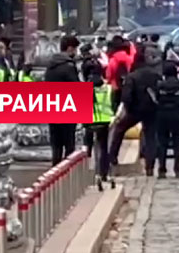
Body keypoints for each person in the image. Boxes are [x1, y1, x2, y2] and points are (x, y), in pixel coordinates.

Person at [109, 45, 163, 177]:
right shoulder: (154, 75)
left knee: (120, 129)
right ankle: (150, 166)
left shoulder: (132, 76)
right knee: (151, 137)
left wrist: (128, 109)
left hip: (135, 110)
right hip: (151, 109)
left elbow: (126, 96)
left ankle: (113, 157)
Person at [44, 35, 82, 166]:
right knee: (69, 144)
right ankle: (67, 174)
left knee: (56, 145)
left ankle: (55, 169)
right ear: (70, 48)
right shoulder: (68, 67)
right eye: (75, 49)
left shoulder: (51, 66)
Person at [152, 62, 179, 179]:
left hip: (162, 116)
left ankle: (162, 169)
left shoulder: (159, 86)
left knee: (162, 143)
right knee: (178, 143)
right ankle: (178, 170)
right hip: (178, 115)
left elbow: (156, 99)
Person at [83, 57, 114, 189]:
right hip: (105, 121)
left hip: (90, 122)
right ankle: (105, 173)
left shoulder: (85, 88)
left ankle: (91, 173)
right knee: (104, 148)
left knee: (89, 147)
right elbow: (113, 103)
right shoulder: (108, 88)